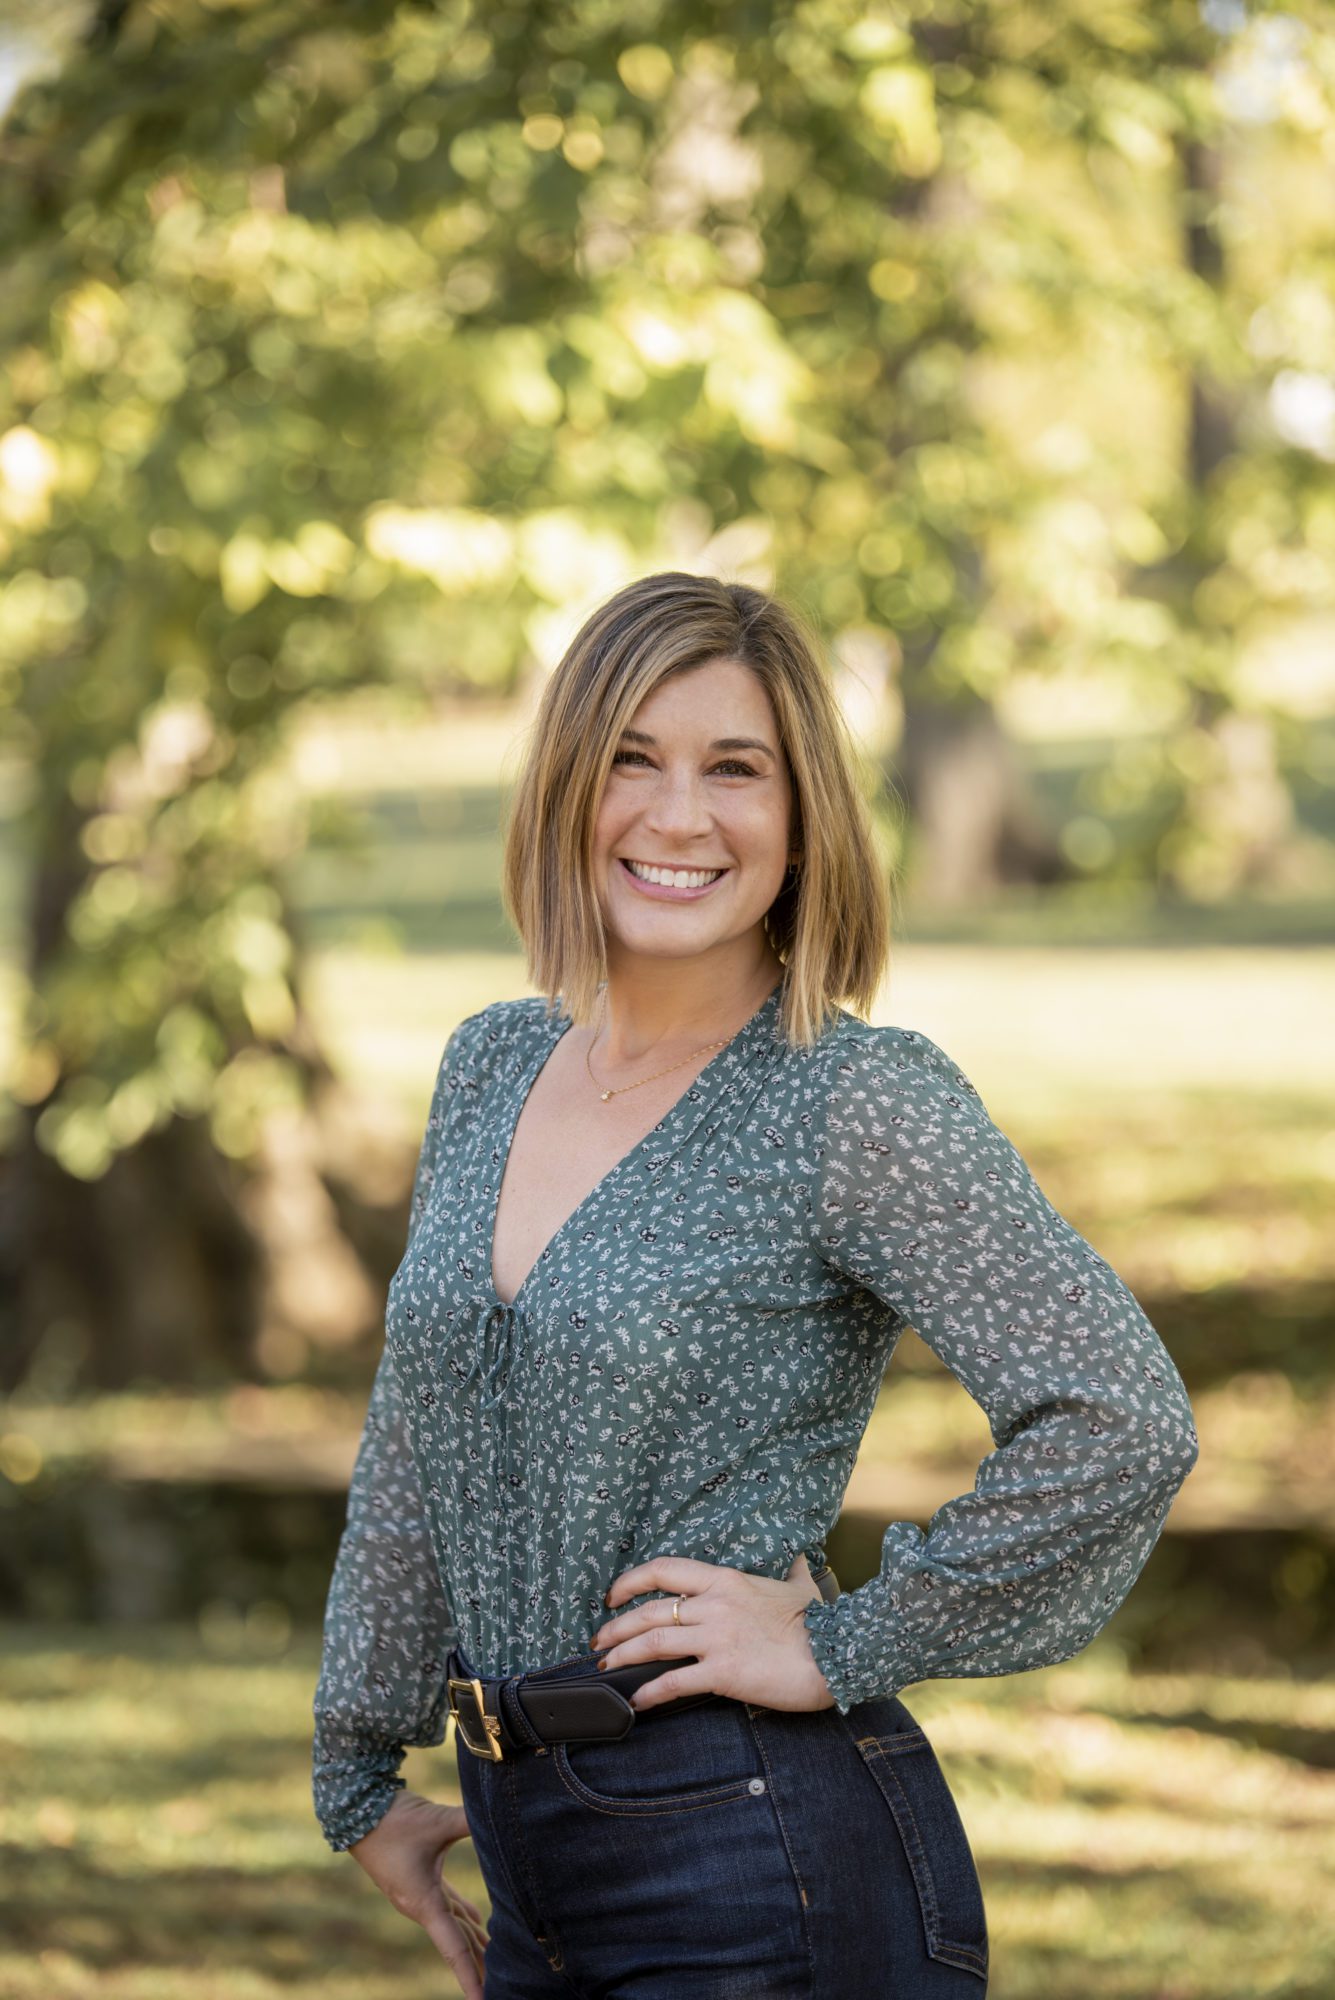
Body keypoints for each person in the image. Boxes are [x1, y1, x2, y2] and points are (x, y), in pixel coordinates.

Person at [311, 571, 1200, 1997]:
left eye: (737, 770)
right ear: (564, 792)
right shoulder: (489, 1065)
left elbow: (1122, 1419)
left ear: (802, 822)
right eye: (631, 762)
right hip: (524, 1853)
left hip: (755, 1859)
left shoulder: (850, 1103)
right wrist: (360, 1766)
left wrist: (846, 1640)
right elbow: (423, 1429)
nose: (678, 817)